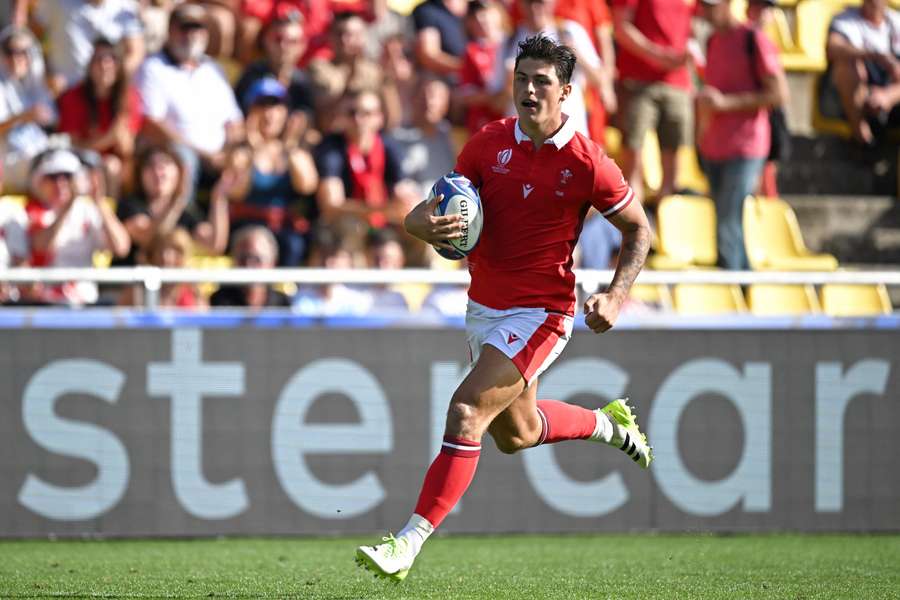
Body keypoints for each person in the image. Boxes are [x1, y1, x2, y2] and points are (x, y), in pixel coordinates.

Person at [355, 34, 652, 581]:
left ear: (566, 91)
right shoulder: (487, 143)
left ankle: (406, 543)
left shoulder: (588, 161)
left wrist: (617, 292)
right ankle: (607, 424)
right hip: (484, 307)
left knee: (467, 410)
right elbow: (424, 215)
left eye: (542, 82)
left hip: (543, 311)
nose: (529, 91)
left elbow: (639, 229)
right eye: (521, 80)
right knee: (516, 434)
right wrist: (423, 224)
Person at [696, 0, 787, 270]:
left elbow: (779, 94)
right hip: (716, 145)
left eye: (711, 6)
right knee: (728, 221)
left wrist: (725, 104)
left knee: (728, 219)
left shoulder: (753, 39)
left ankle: (733, 289)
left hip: (747, 146)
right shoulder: (712, 41)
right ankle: (744, 290)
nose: (705, 12)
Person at [136, 3, 244, 199]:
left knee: (243, 157)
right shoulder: (153, 67)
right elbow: (151, 123)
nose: (192, 34)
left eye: (198, 28)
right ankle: (183, 222)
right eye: (185, 28)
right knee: (184, 159)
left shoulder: (214, 70)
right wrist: (201, 154)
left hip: (218, 155)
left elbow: (234, 121)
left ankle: (241, 222)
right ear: (170, 30)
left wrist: (229, 151)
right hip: (178, 153)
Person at [227, 77, 319, 266]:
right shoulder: (240, 153)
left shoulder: (296, 152)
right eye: (262, 106)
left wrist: (290, 146)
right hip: (248, 227)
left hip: (284, 230)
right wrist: (253, 149)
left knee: (295, 244)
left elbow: (307, 186)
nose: (269, 114)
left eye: (276, 107)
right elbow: (237, 192)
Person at [611, 0, 696, 202]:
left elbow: (690, 31)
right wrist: (657, 55)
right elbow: (621, 27)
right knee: (633, 158)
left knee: (673, 166)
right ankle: (635, 226)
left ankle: (666, 224)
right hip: (638, 81)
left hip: (678, 83)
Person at [25, 148, 131, 305]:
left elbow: (120, 247)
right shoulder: (31, 212)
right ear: (39, 180)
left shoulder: (87, 210)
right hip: (45, 303)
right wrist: (66, 208)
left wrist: (99, 201)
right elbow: (41, 247)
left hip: (85, 302)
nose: (61, 183)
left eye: (67, 176)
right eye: (53, 177)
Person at [313, 90, 417, 245]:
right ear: (342, 117)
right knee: (351, 226)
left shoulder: (389, 147)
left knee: (422, 231)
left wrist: (403, 205)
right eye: (351, 113)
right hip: (347, 224)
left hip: (383, 221)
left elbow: (405, 195)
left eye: (366, 113)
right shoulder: (331, 148)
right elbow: (331, 205)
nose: (358, 119)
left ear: (379, 119)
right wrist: (382, 210)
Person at [114, 145, 230, 267]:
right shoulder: (130, 205)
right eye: (150, 165)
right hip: (130, 281)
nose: (158, 171)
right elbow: (151, 238)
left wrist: (219, 198)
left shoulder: (186, 213)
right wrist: (178, 201)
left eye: (165, 164)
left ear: (179, 173)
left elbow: (213, 245)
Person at [56, 37, 144, 196]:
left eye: (112, 59)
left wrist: (115, 139)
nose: (105, 65)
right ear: (90, 65)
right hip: (80, 161)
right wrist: (107, 139)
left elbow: (126, 147)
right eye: (99, 59)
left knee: (114, 165)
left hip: (117, 167)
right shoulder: (73, 96)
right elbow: (71, 144)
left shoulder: (129, 97)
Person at [823, 0, 900, 146]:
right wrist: (875, 56)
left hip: (891, 98)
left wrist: (888, 96)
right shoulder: (845, 20)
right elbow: (833, 48)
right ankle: (862, 138)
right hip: (852, 98)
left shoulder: (896, 21)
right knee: (847, 65)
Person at [32, 0, 145, 93]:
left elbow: (135, 52)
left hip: (106, 97)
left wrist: (115, 78)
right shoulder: (57, 2)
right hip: (65, 92)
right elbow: (34, 34)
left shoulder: (125, 7)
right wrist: (47, 73)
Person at [0, 26, 54, 194]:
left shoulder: (34, 85)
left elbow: (52, 121)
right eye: (10, 52)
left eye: (23, 52)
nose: (16, 58)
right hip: (9, 160)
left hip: (36, 153)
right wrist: (24, 116)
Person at [118, 227, 205, 308]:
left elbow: (204, 318)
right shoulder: (138, 289)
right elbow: (121, 319)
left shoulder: (192, 287)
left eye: (175, 251)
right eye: (160, 250)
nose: (166, 258)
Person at [209, 225, 291, 307]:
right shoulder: (217, 303)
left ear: (272, 263)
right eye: (243, 258)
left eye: (257, 259)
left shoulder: (283, 305)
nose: (248, 265)